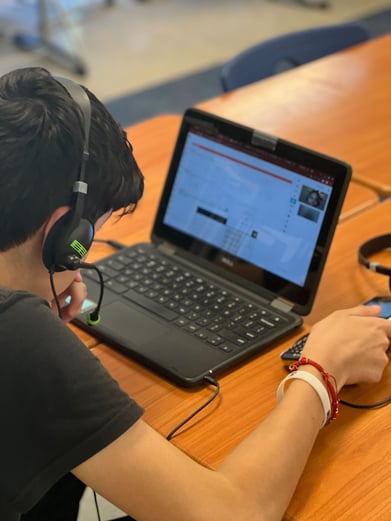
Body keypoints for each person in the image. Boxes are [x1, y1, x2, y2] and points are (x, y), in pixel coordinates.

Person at [0, 67, 390, 521]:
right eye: (83, 245)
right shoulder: (17, 333)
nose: (80, 263)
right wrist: (322, 371)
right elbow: (232, 514)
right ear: (62, 235)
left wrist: (38, 286)